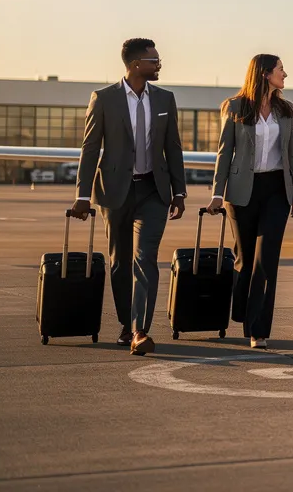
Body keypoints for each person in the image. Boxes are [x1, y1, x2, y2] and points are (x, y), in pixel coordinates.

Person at [67, 38, 186, 356]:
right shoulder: (104, 98)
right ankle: (126, 324)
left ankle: (139, 330)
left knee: (145, 258)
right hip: (114, 191)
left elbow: (172, 147)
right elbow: (90, 148)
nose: (159, 65)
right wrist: (83, 196)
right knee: (120, 263)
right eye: (154, 61)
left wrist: (179, 191)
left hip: (153, 191)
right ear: (135, 65)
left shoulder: (165, 98)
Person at [207, 55, 293, 349]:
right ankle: (243, 311)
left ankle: (258, 330)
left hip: (277, 190)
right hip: (241, 193)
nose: (285, 73)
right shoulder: (235, 107)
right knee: (245, 260)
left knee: (266, 260)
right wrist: (217, 192)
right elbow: (225, 152)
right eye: (280, 70)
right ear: (265, 74)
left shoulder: (287, 111)